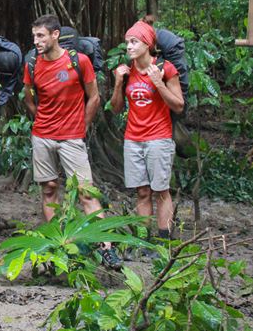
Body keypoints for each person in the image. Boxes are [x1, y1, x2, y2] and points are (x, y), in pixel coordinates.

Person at [23, 14, 121, 268]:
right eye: (34, 36)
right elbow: (29, 99)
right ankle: (59, 246)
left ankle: (106, 248)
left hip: (72, 138)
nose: (36, 41)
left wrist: (82, 126)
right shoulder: (32, 64)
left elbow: (94, 97)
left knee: (86, 192)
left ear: (55, 35)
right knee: (48, 189)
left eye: (41, 35)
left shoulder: (80, 62)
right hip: (42, 136)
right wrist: (43, 122)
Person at [110, 19, 183, 244]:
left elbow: (179, 105)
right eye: (127, 43)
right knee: (142, 192)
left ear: (147, 44)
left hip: (159, 138)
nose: (129, 47)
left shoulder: (164, 69)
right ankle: (143, 241)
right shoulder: (127, 71)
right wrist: (117, 83)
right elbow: (116, 108)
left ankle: (164, 241)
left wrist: (158, 83)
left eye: (134, 42)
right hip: (133, 139)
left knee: (161, 190)